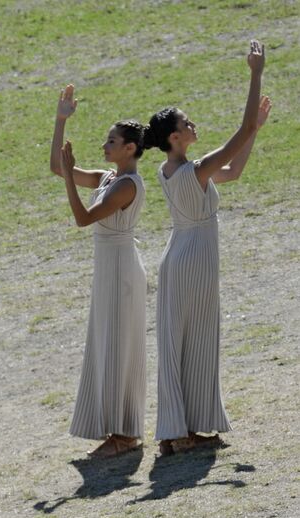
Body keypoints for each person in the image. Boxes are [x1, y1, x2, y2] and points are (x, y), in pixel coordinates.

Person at [144, 41, 270, 455]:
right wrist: (255, 74)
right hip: (193, 259)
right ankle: (181, 432)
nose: (195, 125)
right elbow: (242, 131)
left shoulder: (172, 170)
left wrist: (256, 131)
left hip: (182, 255)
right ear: (176, 137)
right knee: (195, 341)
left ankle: (180, 431)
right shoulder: (193, 170)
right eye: (189, 123)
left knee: (185, 342)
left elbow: (233, 170)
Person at [51, 85, 147, 458]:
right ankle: (116, 431)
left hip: (122, 270)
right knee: (108, 342)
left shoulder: (126, 185)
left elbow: (82, 218)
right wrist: (61, 121)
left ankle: (124, 434)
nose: (105, 145)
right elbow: (59, 169)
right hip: (109, 268)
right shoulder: (108, 177)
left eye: (112, 141)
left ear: (129, 149)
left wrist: (70, 187)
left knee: (120, 345)